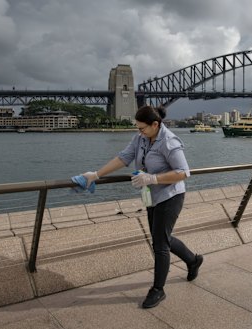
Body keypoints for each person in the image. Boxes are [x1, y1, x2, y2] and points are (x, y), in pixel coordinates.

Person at [81, 105, 203, 309]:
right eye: (137, 128)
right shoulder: (140, 138)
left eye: (142, 128)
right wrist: (96, 174)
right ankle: (193, 260)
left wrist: (153, 178)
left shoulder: (169, 141)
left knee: (160, 245)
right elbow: (123, 158)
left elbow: (183, 172)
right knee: (161, 238)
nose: (139, 132)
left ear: (155, 125)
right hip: (151, 196)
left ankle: (158, 290)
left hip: (170, 196)